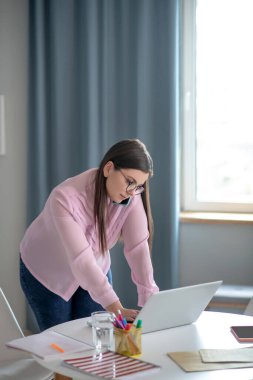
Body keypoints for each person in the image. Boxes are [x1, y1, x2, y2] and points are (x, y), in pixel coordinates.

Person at [20, 138, 159, 331]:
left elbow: (138, 248)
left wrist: (150, 298)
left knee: (95, 339)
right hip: (47, 272)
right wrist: (116, 307)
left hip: (94, 269)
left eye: (138, 186)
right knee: (62, 340)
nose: (131, 191)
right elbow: (81, 260)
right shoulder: (65, 198)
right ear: (109, 169)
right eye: (129, 181)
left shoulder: (131, 196)